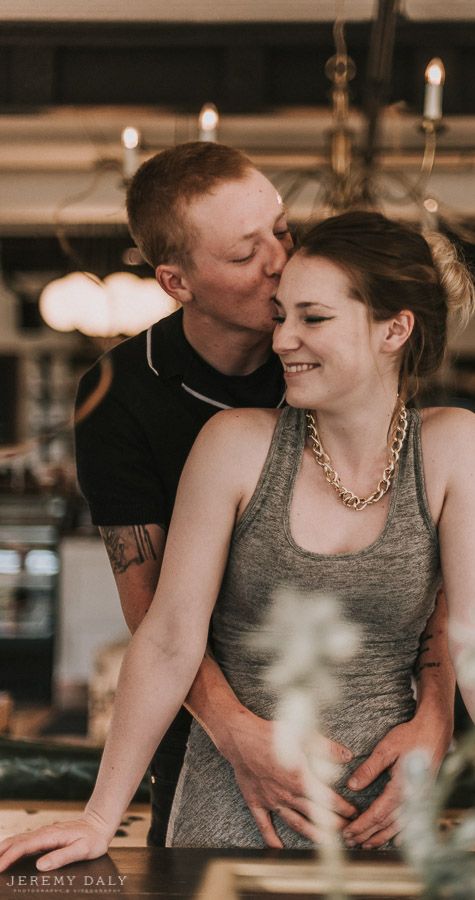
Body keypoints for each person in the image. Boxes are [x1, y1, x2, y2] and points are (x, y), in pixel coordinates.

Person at [2, 211, 475, 870]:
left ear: (393, 329)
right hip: (230, 809)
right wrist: (97, 817)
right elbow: (169, 637)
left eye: (312, 318)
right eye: (281, 314)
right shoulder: (234, 443)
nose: (282, 337)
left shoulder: (454, 444)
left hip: (387, 817)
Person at [72, 142, 454, 850]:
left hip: (379, 748)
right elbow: (157, 617)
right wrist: (235, 736)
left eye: (281, 230)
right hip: (201, 745)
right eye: (247, 253)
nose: (280, 261)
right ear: (176, 281)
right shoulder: (121, 398)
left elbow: (432, 562)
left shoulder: (345, 353)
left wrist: (435, 713)